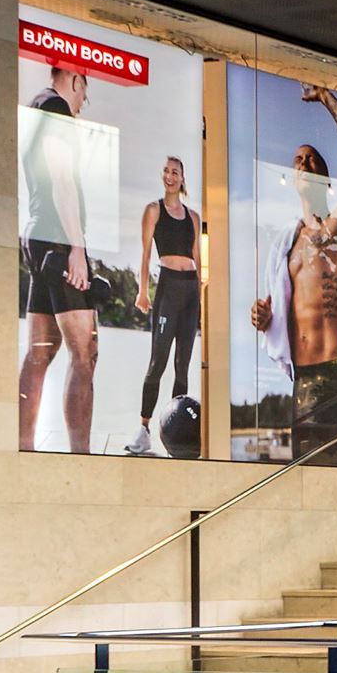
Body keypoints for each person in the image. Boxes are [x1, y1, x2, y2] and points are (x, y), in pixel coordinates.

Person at [249, 85, 337, 464]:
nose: (303, 164)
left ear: (327, 176)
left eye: (312, 160)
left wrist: (325, 97)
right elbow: (276, 314)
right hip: (304, 383)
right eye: (297, 160)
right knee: (309, 483)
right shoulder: (287, 247)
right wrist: (263, 318)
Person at [17, 64, 100, 453]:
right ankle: (81, 458)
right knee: (85, 354)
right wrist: (77, 248)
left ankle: (23, 449)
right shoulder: (56, 108)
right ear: (76, 81)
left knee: (40, 352)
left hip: (38, 235)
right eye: (84, 94)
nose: (82, 103)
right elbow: (62, 178)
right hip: (58, 240)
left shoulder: (36, 106)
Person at [124, 155, 203, 455]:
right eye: (167, 172)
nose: (171, 176)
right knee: (158, 361)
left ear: (182, 178)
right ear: (163, 176)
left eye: (176, 172)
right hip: (168, 287)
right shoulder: (153, 210)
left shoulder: (193, 217)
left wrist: (201, 298)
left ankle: (175, 432)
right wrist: (142, 292)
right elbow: (146, 254)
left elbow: (198, 258)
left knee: (182, 366)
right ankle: (144, 429)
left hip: (190, 291)